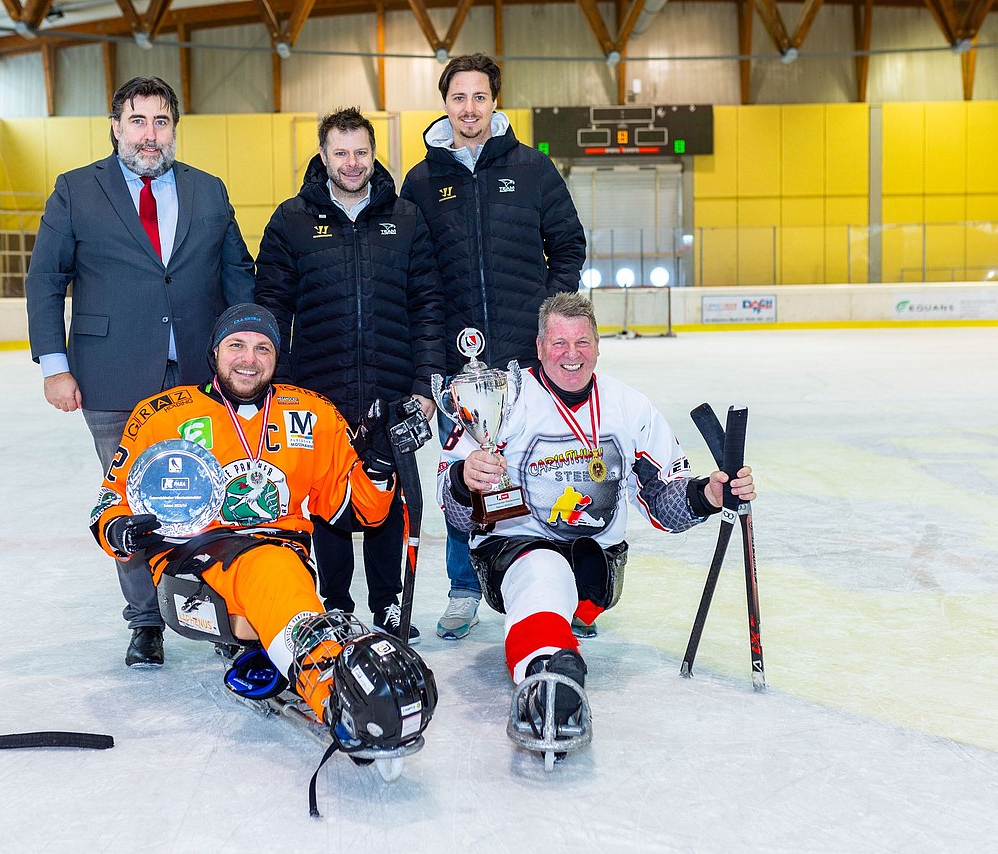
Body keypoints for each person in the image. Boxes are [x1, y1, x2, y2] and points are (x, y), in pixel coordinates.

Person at [89, 304, 436, 750]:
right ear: (215, 352)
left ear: (276, 358)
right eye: (236, 345)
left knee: (276, 573)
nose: (249, 358)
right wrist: (119, 528)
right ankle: (336, 691)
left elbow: (357, 511)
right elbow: (110, 499)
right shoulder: (164, 413)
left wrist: (382, 462)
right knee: (271, 570)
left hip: (284, 556)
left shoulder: (313, 413)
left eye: (263, 348)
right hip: (196, 559)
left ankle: (275, 652)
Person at [437, 292, 755, 742]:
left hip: (596, 563)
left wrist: (708, 494)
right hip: (514, 548)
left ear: (599, 345)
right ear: (540, 346)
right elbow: (452, 510)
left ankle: (573, 612)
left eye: (582, 342)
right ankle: (548, 673)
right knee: (543, 571)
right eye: (560, 343)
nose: (572, 355)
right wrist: (463, 479)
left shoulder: (629, 407)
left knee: (574, 577)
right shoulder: (503, 399)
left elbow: (663, 503)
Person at [25, 76, 255, 668]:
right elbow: (47, 280)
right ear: (115, 126)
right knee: (129, 504)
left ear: (175, 129)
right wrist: (55, 367)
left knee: (217, 499)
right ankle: (145, 621)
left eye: (161, 122)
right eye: (138, 121)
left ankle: (220, 614)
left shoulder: (209, 191)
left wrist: (254, 353)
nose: (149, 134)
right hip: (112, 374)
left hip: (201, 383)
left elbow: (238, 279)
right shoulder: (76, 190)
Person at [401, 53, 587, 640]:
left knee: (543, 467)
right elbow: (415, 268)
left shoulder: (532, 169)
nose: (470, 109)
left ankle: (558, 586)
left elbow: (569, 247)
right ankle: (463, 588)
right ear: (446, 102)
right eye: (459, 98)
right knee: (465, 470)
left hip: (523, 357)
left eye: (480, 97)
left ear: (495, 101)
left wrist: (546, 322)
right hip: (459, 361)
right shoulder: (423, 180)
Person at [256, 107, 442, 643]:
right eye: (341, 152)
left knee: (386, 502)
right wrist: (281, 389)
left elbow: (428, 304)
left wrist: (425, 384)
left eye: (361, 151)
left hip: (391, 385)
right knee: (328, 502)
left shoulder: (405, 217)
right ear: (323, 156)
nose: (352, 162)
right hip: (318, 392)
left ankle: (386, 605)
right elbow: (272, 310)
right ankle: (335, 605)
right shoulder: (291, 220)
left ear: (373, 152)